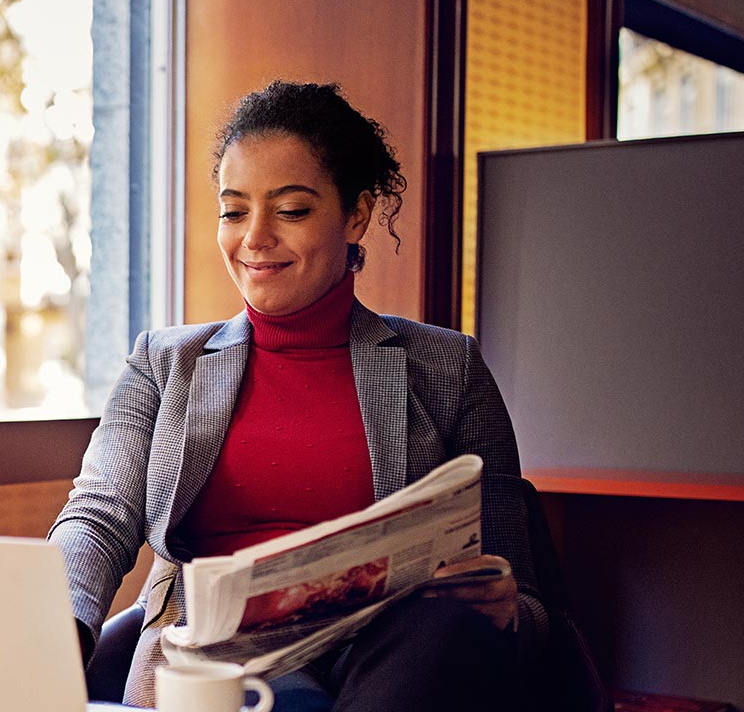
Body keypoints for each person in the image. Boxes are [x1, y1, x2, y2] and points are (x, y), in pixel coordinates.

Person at [49, 81, 544, 712]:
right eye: (234, 211)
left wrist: (504, 606)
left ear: (356, 214)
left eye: (291, 210)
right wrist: (51, 627)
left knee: (441, 633)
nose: (254, 238)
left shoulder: (447, 368)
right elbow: (98, 516)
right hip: (213, 654)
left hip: (393, 653)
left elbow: (525, 593)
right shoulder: (166, 363)